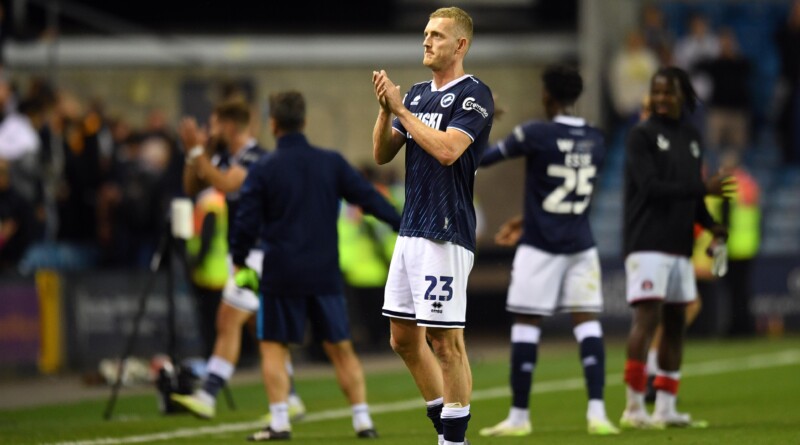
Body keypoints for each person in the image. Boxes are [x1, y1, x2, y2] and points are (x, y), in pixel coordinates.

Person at [231, 90, 401, 441]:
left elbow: (245, 222)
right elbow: (369, 199)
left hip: (280, 273)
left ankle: (280, 421)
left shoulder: (264, 169)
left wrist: (238, 257)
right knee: (340, 346)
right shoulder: (331, 162)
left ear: (273, 124)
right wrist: (404, 224)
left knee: (273, 345)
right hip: (324, 272)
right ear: (304, 121)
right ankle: (362, 420)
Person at [372, 6, 494, 445]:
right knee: (403, 339)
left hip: (446, 230)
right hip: (411, 230)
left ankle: (452, 440)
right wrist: (386, 111)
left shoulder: (474, 95)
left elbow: (447, 151)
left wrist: (401, 111)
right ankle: (446, 427)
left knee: (445, 342)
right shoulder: (418, 94)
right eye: (425, 33)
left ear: (460, 45)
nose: (426, 40)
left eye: (437, 35)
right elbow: (382, 154)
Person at [476, 64, 619, 437]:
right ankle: (598, 414)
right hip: (581, 244)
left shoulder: (536, 133)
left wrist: (482, 120)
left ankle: (519, 418)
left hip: (540, 247)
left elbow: (482, 158)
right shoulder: (596, 137)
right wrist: (529, 216)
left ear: (546, 95)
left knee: (526, 325)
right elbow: (569, 193)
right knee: (587, 323)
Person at [171, 100, 306, 421]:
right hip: (247, 256)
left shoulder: (257, 158)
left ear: (229, 126)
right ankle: (291, 398)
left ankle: (207, 395)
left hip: (260, 256)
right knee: (262, 330)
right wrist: (195, 154)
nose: (209, 129)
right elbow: (192, 185)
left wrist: (197, 151)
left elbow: (225, 183)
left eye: (214, 124)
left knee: (227, 320)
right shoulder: (223, 158)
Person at [620, 66, 733, 429]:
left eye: (668, 92)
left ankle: (666, 408)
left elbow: (692, 195)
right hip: (647, 243)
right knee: (646, 320)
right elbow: (650, 187)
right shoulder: (641, 135)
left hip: (679, 245)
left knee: (675, 326)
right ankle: (634, 407)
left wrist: (712, 226)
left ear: (683, 95)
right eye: (656, 92)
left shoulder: (691, 136)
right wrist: (703, 190)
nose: (661, 98)